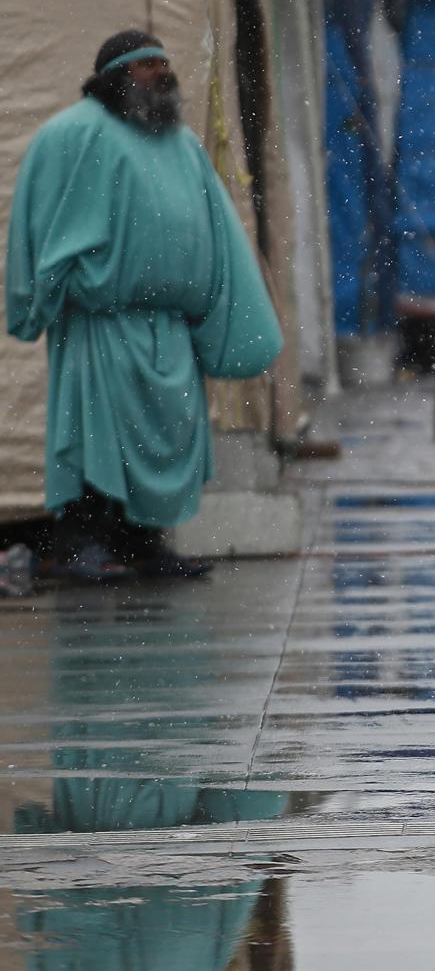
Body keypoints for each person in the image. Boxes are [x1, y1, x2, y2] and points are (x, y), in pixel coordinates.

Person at [6, 31, 283, 584]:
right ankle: (81, 542)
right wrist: (36, 299)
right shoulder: (73, 135)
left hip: (168, 327)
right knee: (95, 436)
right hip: (101, 324)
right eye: (145, 66)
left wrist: (229, 312)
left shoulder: (182, 145)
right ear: (114, 77)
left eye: (164, 63)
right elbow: (36, 225)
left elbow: (218, 229)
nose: (161, 73)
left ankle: (142, 543)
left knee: (164, 438)